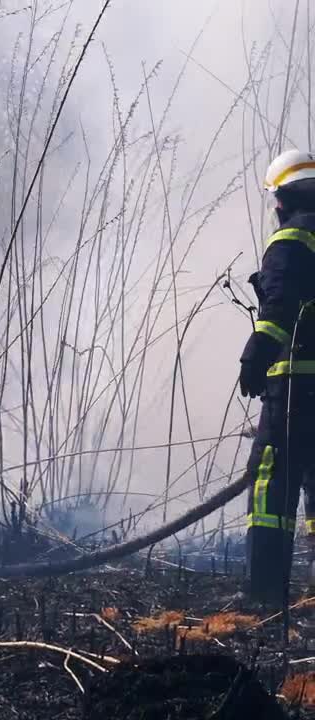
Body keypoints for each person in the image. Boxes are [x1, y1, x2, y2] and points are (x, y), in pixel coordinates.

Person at [239, 149, 315, 605]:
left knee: (270, 478)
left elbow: (280, 305)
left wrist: (256, 355)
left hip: (296, 386)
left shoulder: (290, 239)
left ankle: (265, 594)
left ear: (280, 199)